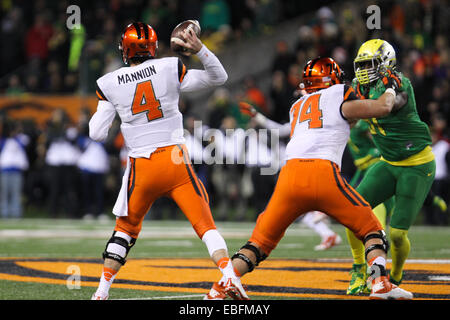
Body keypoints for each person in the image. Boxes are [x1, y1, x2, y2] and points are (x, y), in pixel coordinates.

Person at [206, 57, 413, 300]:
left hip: (290, 177)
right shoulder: (340, 93)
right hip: (322, 174)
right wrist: (391, 88)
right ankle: (379, 283)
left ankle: (220, 287)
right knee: (372, 230)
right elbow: (382, 108)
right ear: (333, 79)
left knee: (259, 243)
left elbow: (328, 121)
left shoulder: (298, 106)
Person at [89, 22, 244, 300]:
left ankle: (102, 291)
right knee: (206, 226)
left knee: (124, 231)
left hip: (141, 167)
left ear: (125, 49)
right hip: (175, 161)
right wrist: (200, 49)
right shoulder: (169, 67)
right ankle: (229, 276)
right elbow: (218, 77)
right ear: (152, 46)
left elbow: (96, 133)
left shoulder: (109, 82)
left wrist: (116, 109)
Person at [348, 39, 437, 290]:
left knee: (397, 234)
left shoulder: (399, 83)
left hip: (416, 164)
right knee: (351, 212)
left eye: (370, 64)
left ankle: (396, 276)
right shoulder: (358, 86)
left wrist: (360, 106)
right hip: (387, 162)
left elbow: (392, 105)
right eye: (361, 64)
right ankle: (358, 270)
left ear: (386, 63)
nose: (364, 70)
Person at [239, 100, 342, 251]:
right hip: (297, 165)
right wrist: (256, 115)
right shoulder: (299, 122)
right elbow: (279, 129)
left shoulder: (321, 122)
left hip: (314, 163)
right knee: (297, 205)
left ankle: (323, 210)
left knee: (306, 201)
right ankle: (327, 232)